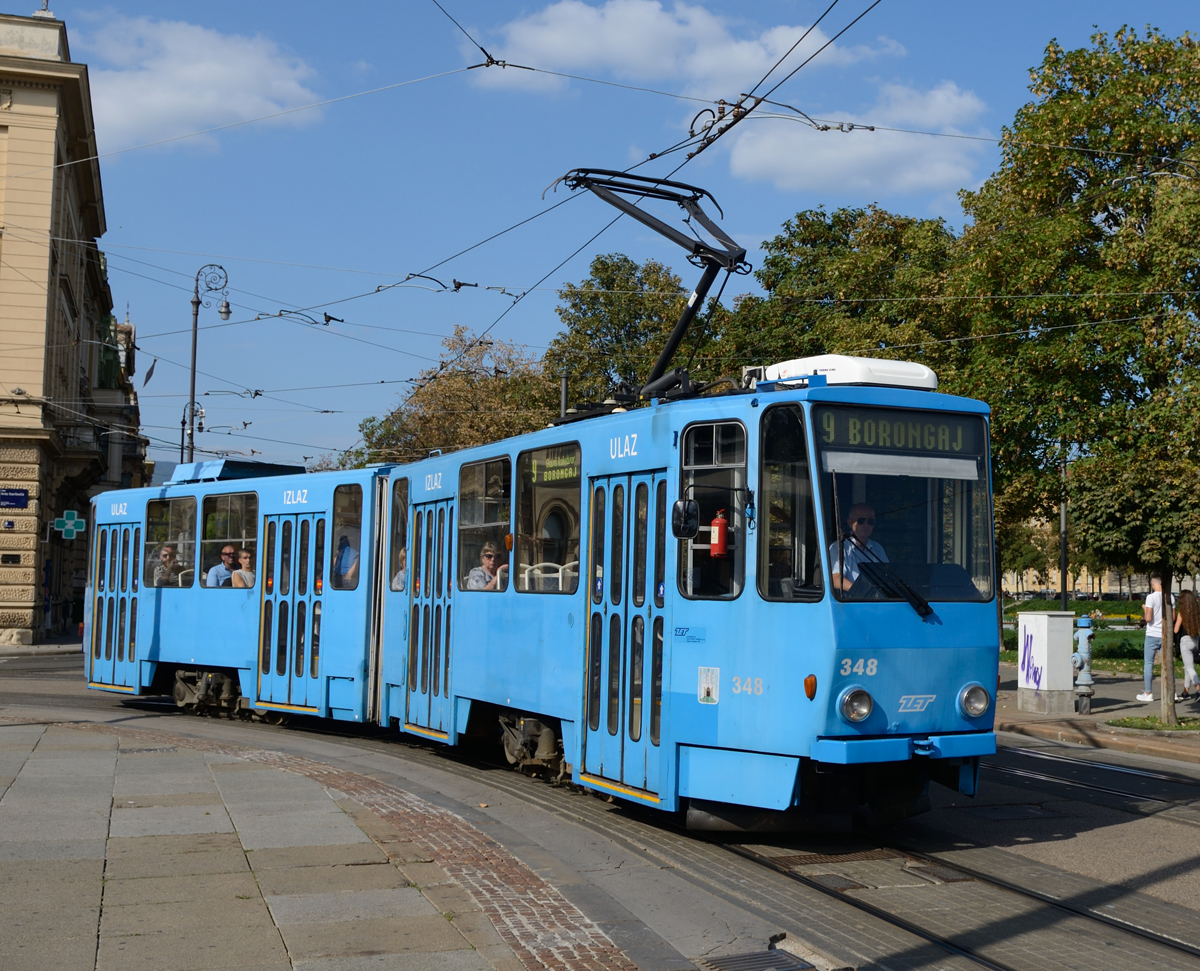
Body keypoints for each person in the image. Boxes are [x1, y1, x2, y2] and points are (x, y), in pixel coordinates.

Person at [827, 503, 887, 592]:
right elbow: (836, 579)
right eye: (861, 521)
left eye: (870, 521)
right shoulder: (838, 547)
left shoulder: (878, 548)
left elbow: (886, 576)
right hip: (851, 598)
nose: (866, 525)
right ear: (850, 523)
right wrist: (861, 592)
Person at [1137, 573, 1164, 702]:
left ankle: (1148, 693)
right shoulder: (1169, 596)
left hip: (1152, 633)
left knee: (1148, 663)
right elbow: (1173, 617)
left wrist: (1144, 609)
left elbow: (1148, 618)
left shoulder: (1151, 597)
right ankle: (1173, 692)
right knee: (1167, 663)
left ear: (1153, 583)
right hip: (1164, 634)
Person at [1174, 588, 1199, 701]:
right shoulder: (1196, 613)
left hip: (1185, 641)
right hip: (1196, 640)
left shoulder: (1182, 613)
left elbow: (1176, 630)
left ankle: (1198, 689)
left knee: (1189, 668)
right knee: (1188, 667)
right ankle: (1186, 691)